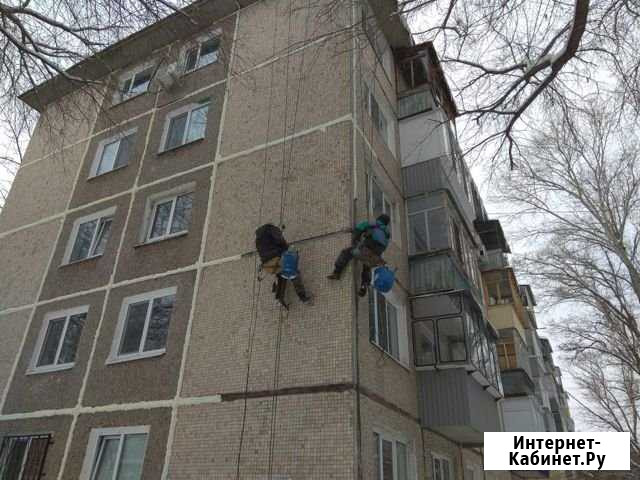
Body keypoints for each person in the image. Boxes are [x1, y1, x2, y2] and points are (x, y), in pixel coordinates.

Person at [328, 214, 391, 296]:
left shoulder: (373, 223)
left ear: (379, 218)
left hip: (364, 250)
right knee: (367, 266)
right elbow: (384, 246)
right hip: (375, 257)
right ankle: (364, 286)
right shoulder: (387, 233)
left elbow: (359, 228)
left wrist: (356, 240)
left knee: (346, 252)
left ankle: (337, 272)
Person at [255, 223, 312, 304]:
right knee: (294, 273)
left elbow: (262, 253)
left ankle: (278, 293)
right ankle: (303, 297)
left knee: (280, 273)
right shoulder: (270, 229)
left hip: (268, 265)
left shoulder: (257, 240)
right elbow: (280, 240)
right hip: (277, 258)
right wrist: (286, 248)